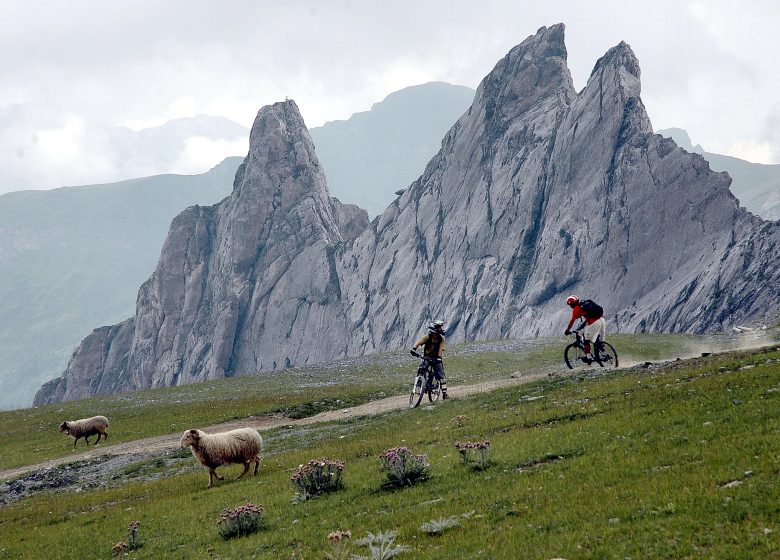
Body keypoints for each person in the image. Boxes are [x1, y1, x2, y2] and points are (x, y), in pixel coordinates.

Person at [410, 320, 448, 399]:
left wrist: (438, 358)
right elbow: (419, 342)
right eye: (439, 327)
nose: (440, 329)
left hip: (436, 358)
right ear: (434, 329)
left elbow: (440, 349)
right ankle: (420, 384)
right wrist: (413, 349)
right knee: (421, 369)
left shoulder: (441, 339)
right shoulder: (427, 337)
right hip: (427, 357)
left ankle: (444, 394)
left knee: (441, 375)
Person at [564, 295, 606, 360]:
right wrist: (582, 326)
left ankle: (588, 357)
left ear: (571, 305)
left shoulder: (576, 309)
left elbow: (572, 321)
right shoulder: (585, 303)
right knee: (594, 337)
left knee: (586, 340)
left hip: (594, 322)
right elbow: (588, 317)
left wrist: (567, 330)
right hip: (601, 320)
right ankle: (603, 352)